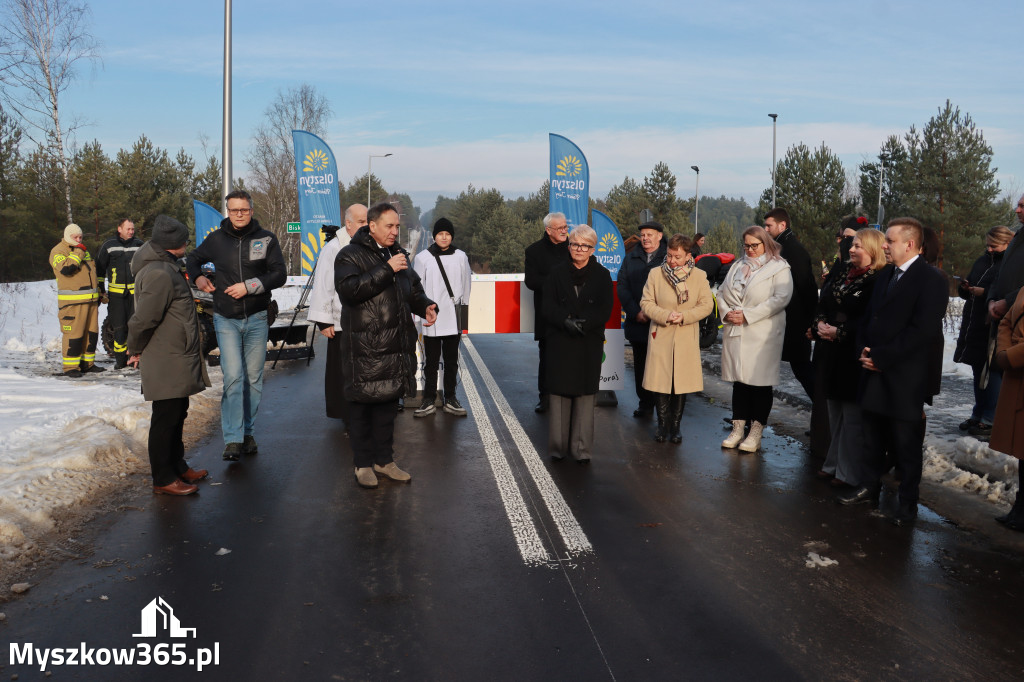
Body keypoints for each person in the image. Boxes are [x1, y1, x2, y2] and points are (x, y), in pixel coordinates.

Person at [841, 217, 948, 526]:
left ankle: (907, 502)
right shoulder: (887, 273)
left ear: (910, 244)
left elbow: (923, 330)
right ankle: (868, 487)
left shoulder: (931, 279)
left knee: (905, 443)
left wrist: (884, 358)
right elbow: (870, 318)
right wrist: (862, 348)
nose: (884, 245)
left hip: (905, 375)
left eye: (889, 240)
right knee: (871, 434)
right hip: (874, 367)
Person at [336, 202, 437, 489]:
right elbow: (350, 292)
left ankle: (384, 461)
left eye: (397, 226)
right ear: (372, 225)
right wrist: (386, 269)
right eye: (390, 226)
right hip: (365, 348)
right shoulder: (349, 255)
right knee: (362, 411)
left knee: (387, 409)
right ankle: (363, 464)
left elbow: (412, 290)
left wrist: (426, 305)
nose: (395, 231)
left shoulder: (399, 254)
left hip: (395, 346)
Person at [185, 189, 286, 461]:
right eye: (234, 210)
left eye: (244, 209)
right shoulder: (216, 240)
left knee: (253, 380)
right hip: (226, 319)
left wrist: (250, 287)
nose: (239, 214)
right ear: (227, 211)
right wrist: (198, 279)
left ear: (251, 210)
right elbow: (192, 259)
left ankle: (248, 433)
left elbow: (279, 274)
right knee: (233, 378)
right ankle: (232, 438)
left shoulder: (266, 239)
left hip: (256, 317)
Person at [126, 215, 211, 495]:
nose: (187, 243)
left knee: (178, 412)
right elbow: (143, 319)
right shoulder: (160, 273)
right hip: (165, 356)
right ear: (172, 244)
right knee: (166, 418)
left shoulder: (166, 266)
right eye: (183, 240)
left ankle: (177, 465)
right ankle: (163, 478)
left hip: (174, 354)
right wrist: (134, 348)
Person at [811, 228, 885, 486]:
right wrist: (820, 323)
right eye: (852, 245)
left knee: (852, 419)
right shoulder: (843, 271)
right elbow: (825, 301)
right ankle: (832, 464)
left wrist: (839, 331)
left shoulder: (878, 279)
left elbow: (870, 319)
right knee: (835, 414)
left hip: (854, 352)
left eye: (858, 246)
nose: (851, 250)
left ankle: (848, 472)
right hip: (832, 352)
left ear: (873, 250)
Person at [718, 226, 793, 452]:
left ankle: (756, 432)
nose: (750, 250)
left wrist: (748, 315)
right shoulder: (737, 266)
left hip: (762, 333)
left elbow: (781, 298)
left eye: (754, 245)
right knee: (739, 382)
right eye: (746, 245)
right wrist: (727, 312)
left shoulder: (779, 267)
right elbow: (721, 292)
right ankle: (738, 427)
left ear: (765, 244)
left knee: (759, 383)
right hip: (737, 331)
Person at [542, 225, 613, 463]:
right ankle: (558, 448)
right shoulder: (555, 273)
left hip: (588, 343)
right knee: (559, 395)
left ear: (593, 249)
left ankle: (581, 450)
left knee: (584, 395)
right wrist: (565, 321)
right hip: (560, 342)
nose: (579, 249)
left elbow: (605, 308)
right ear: (569, 246)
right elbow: (547, 307)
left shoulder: (602, 276)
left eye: (584, 246)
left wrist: (587, 323)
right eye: (574, 244)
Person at [639, 233, 714, 443]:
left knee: (680, 383)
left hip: (685, 334)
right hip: (661, 333)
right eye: (670, 255)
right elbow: (646, 302)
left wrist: (684, 317)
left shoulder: (699, 276)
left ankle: (676, 426)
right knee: (660, 381)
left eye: (677, 257)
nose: (672, 261)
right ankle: (662, 425)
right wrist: (664, 315)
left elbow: (706, 305)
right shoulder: (655, 274)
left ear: (688, 256)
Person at [307, 203, 368, 423]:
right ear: (348, 223)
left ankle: (362, 413)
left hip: (366, 321)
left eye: (368, 221)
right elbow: (323, 285)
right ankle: (345, 415)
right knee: (341, 372)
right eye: (361, 222)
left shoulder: (369, 245)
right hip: (341, 321)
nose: (366, 226)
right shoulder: (334, 248)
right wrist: (324, 322)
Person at [954, 226, 1013, 438]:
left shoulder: (1009, 264)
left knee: (992, 371)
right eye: (987, 245)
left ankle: (990, 417)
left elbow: (1008, 293)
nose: (989, 249)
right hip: (975, 321)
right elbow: (972, 283)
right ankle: (978, 414)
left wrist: (985, 293)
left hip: (995, 323)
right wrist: (965, 288)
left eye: (994, 246)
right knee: (978, 370)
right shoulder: (982, 261)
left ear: (1007, 244)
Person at [413, 217, 472, 417]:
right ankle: (428, 398)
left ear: (452, 236)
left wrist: (464, 317)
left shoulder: (461, 257)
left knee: (451, 360)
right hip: (432, 318)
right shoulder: (423, 258)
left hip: (453, 317)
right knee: (430, 362)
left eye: (447, 234)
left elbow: (466, 286)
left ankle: (451, 397)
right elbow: (416, 288)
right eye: (440, 234)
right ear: (434, 236)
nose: (444, 237)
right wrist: (418, 317)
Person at [763, 208, 817, 399]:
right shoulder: (781, 247)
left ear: (782, 225)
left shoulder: (793, 250)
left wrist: (811, 321)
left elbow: (807, 288)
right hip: (783, 319)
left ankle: (824, 421)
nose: (766, 229)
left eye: (769, 225)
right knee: (766, 370)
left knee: (802, 369)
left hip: (795, 321)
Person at [617, 220, 667, 419]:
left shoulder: (668, 256)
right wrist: (635, 311)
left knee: (661, 367)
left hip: (661, 323)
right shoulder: (631, 257)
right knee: (641, 366)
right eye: (643, 235)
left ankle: (663, 409)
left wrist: (654, 313)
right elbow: (622, 286)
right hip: (637, 321)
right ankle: (645, 404)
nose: (645, 238)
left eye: (649, 234)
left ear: (659, 236)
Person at [524, 212, 570, 413]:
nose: (564, 231)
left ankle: (569, 396)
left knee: (571, 356)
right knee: (548, 358)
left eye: (566, 227)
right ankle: (545, 397)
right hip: (547, 314)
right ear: (548, 230)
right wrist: (555, 282)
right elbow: (531, 281)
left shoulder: (574, 248)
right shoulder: (534, 251)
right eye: (560, 228)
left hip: (572, 313)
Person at [49, 224, 105, 377]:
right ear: (68, 236)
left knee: (91, 334)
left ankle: (88, 364)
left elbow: (91, 272)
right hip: (72, 303)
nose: (79, 240)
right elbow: (67, 269)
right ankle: (71, 368)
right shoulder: (58, 251)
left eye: (81, 237)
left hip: (91, 301)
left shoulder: (83, 252)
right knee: (74, 335)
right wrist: (78, 251)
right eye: (76, 237)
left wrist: (100, 292)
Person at [989, 287, 1024, 531]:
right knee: (1023, 449)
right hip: (1016, 374)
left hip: (1018, 363)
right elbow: (1006, 321)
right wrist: (1002, 353)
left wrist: (1011, 357)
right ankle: (1021, 508)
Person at [95, 218, 144, 369]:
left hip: (135, 295)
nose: (131, 231)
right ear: (119, 229)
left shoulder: (140, 245)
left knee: (135, 327)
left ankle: (134, 358)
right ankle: (121, 361)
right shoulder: (109, 245)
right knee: (119, 328)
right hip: (116, 297)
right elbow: (99, 270)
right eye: (128, 229)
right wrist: (101, 290)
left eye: (132, 229)